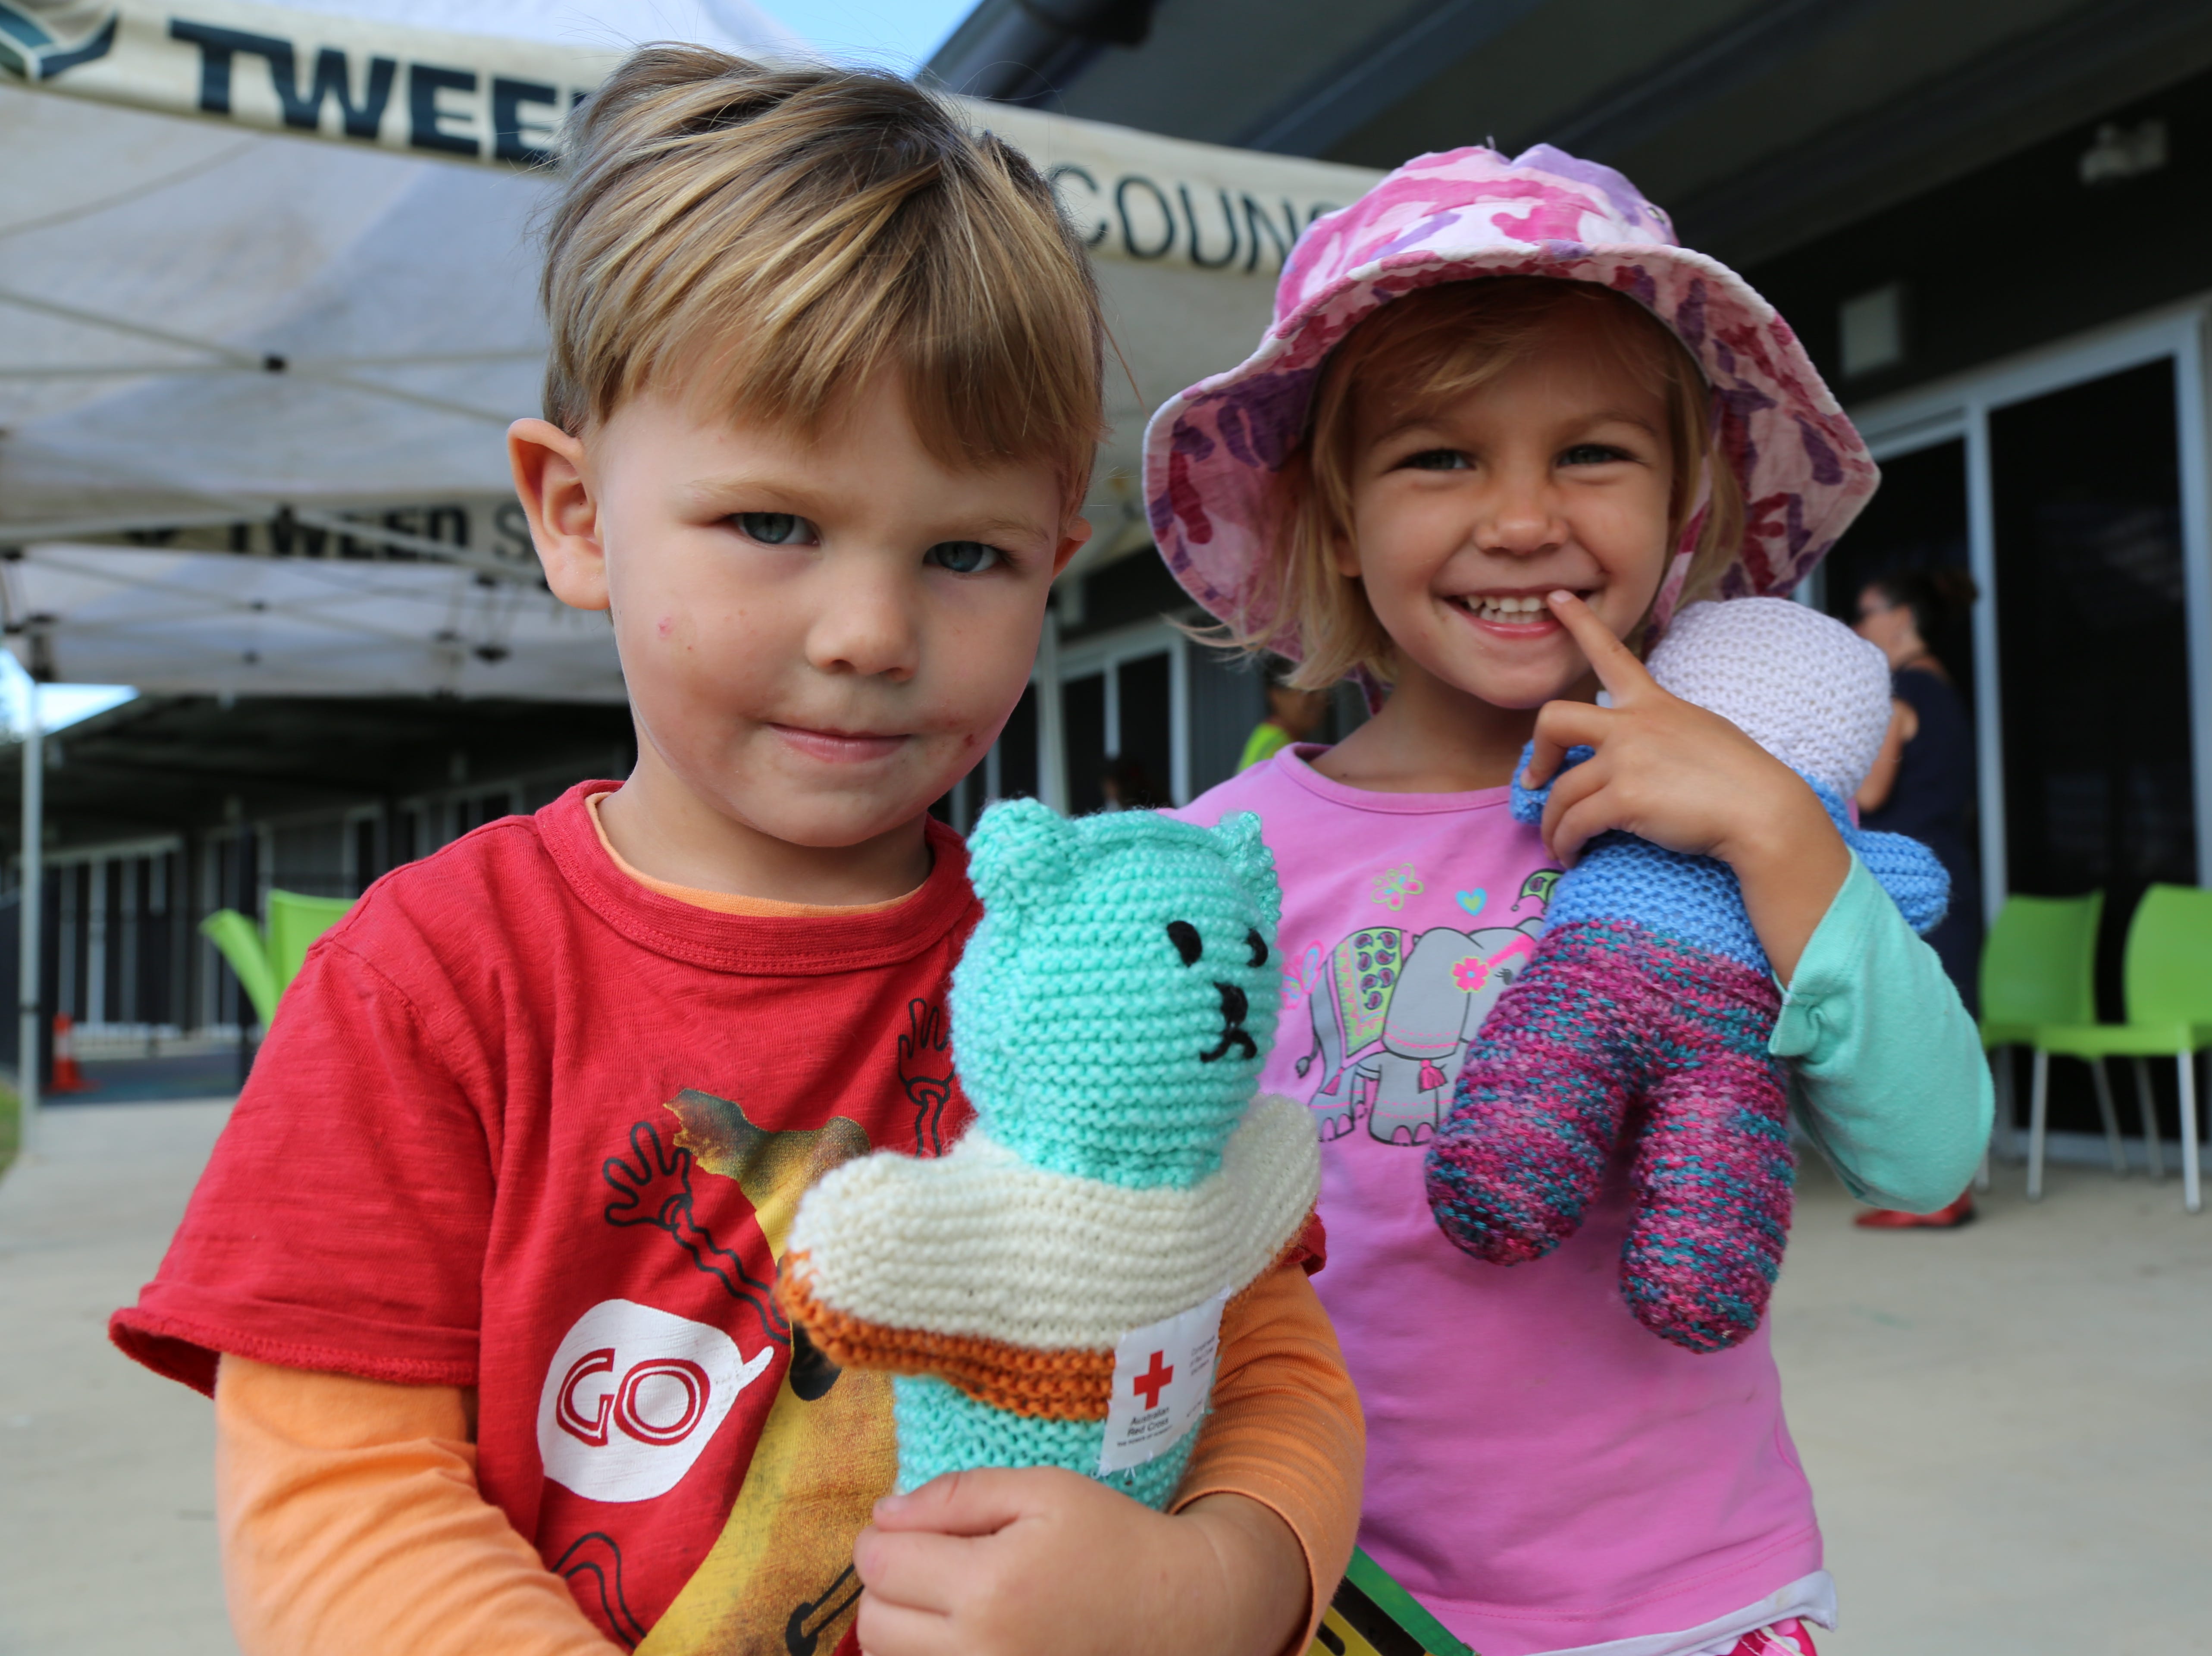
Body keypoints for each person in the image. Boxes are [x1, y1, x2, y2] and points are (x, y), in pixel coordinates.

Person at [107, 51, 1360, 1656]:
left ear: (1056, 556)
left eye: (964, 553)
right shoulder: (431, 979)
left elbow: (1267, 1364)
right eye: (773, 524)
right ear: (572, 513)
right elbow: (344, 1514)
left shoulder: (1088, 963)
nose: (867, 633)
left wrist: (1216, 1587)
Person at [1159, 148, 1990, 1656]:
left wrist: (1782, 848)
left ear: (1686, 507)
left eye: (1594, 454)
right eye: (1440, 460)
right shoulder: (1221, 862)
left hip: (1700, 1597)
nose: (1525, 518)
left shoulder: (1756, 822)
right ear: (1337, 522)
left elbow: (1927, 1152)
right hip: (1343, 1598)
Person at [1850, 568, 1984, 1231]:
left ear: (1901, 618)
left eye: (1866, 612)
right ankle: (1942, 1188)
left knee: (1908, 1032)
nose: (1858, 626)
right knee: (1944, 1027)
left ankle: (1932, 1195)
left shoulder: (1901, 690)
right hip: (1951, 868)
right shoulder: (1946, 689)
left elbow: (1869, 795)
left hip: (1909, 882)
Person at [1237, 679, 1332, 772]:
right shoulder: (1276, 747)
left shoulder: (1273, 736)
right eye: (1310, 692)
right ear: (1276, 695)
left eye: (1323, 691)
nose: (1322, 698)